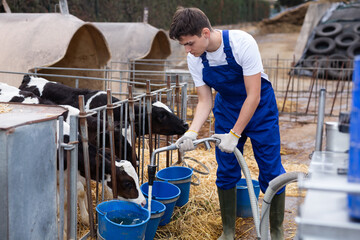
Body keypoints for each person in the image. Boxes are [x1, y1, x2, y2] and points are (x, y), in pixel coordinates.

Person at [169, 7, 286, 240]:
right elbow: (205, 100)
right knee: (227, 170)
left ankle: (277, 230)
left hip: (260, 108)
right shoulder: (195, 59)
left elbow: (253, 96)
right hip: (227, 109)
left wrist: (235, 134)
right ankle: (229, 231)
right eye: (184, 45)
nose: (187, 50)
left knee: (271, 170)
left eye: (190, 43)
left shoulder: (242, 42)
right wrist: (192, 132)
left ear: (205, 33)